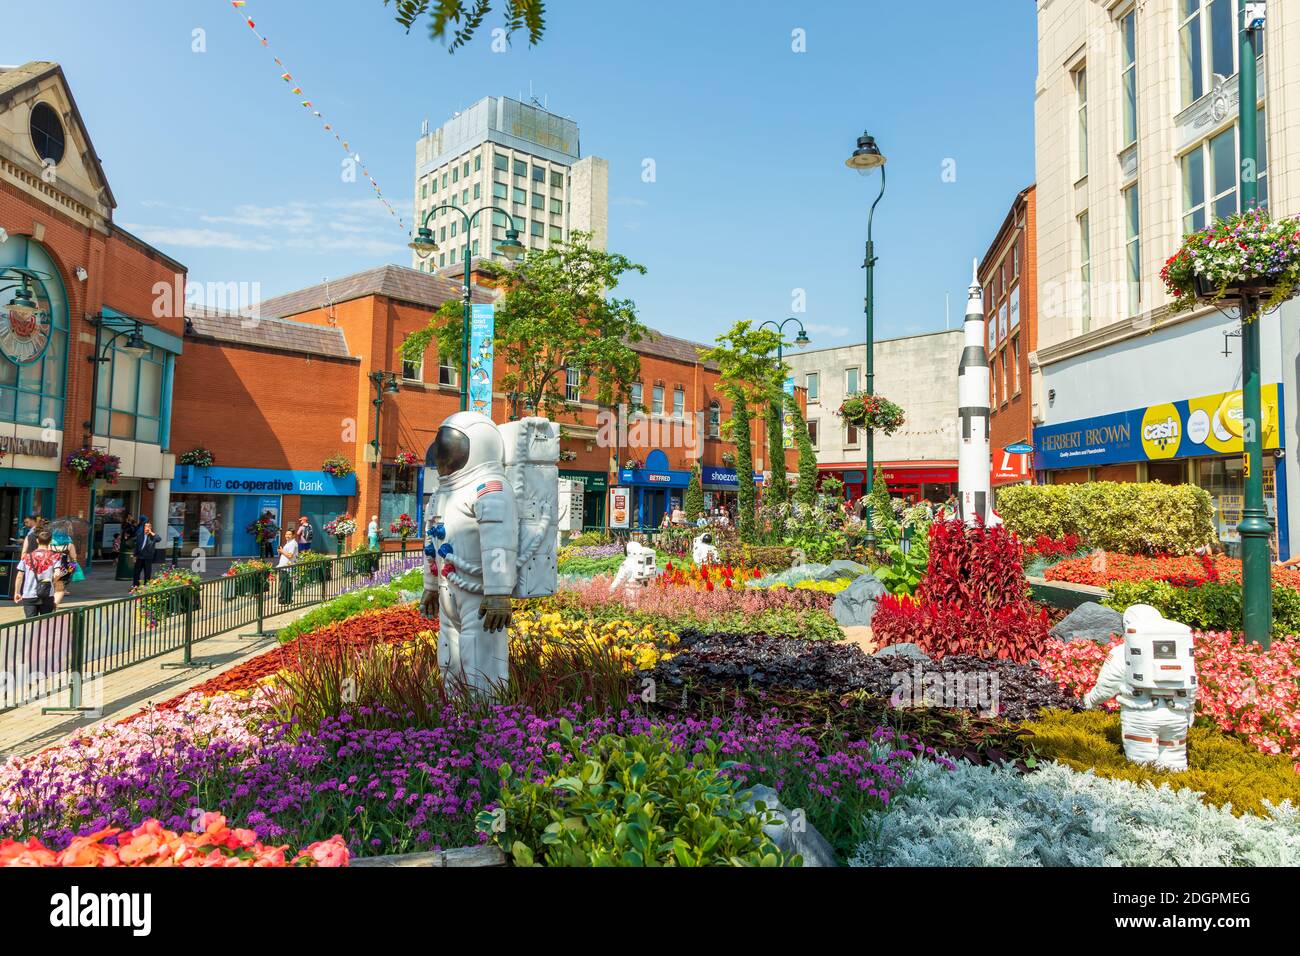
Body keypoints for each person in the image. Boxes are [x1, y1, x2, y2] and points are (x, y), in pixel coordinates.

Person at [13, 528, 58, 618]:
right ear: (50, 542)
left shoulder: (27, 557)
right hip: (47, 593)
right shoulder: (55, 556)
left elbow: (19, 576)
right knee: (46, 622)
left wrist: (17, 592)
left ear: (37, 541)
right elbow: (57, 574)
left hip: (29, 594)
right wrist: (51, 582)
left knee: (30, 622)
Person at [50, 524, 81, 607]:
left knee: (51, 583)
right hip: (64, 567)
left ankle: (49, 600)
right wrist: (74, 568)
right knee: (60, 587)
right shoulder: (69, 545)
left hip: (51, 567)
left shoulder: (50, 544)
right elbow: (74, 558)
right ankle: (55, 604)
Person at [132, 521, 162, 586]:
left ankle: (146, 585)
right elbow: (137, 546)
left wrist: (151, 532)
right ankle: (135, 586)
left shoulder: (153, 536)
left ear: (150, 527)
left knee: (147, 573)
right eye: (146, 526)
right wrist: (134, 555)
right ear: (144, 527)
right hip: (139, 556)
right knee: (136, 573)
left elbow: (159, 539)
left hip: (148, 557)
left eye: (148, 526)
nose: (147, 527)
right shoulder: (140, 535)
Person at [276, 528, 298, 604]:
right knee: (287, 584)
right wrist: (282, 551)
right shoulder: (289, 542)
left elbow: (290, 555)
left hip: (287, 567)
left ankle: (283, 600)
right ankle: (287, 600)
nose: (287, 536)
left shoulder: (292, 543)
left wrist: (281, 551)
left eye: (289, 534)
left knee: (284, 584)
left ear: (293, 535)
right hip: (285, 566)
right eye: (286, 534)